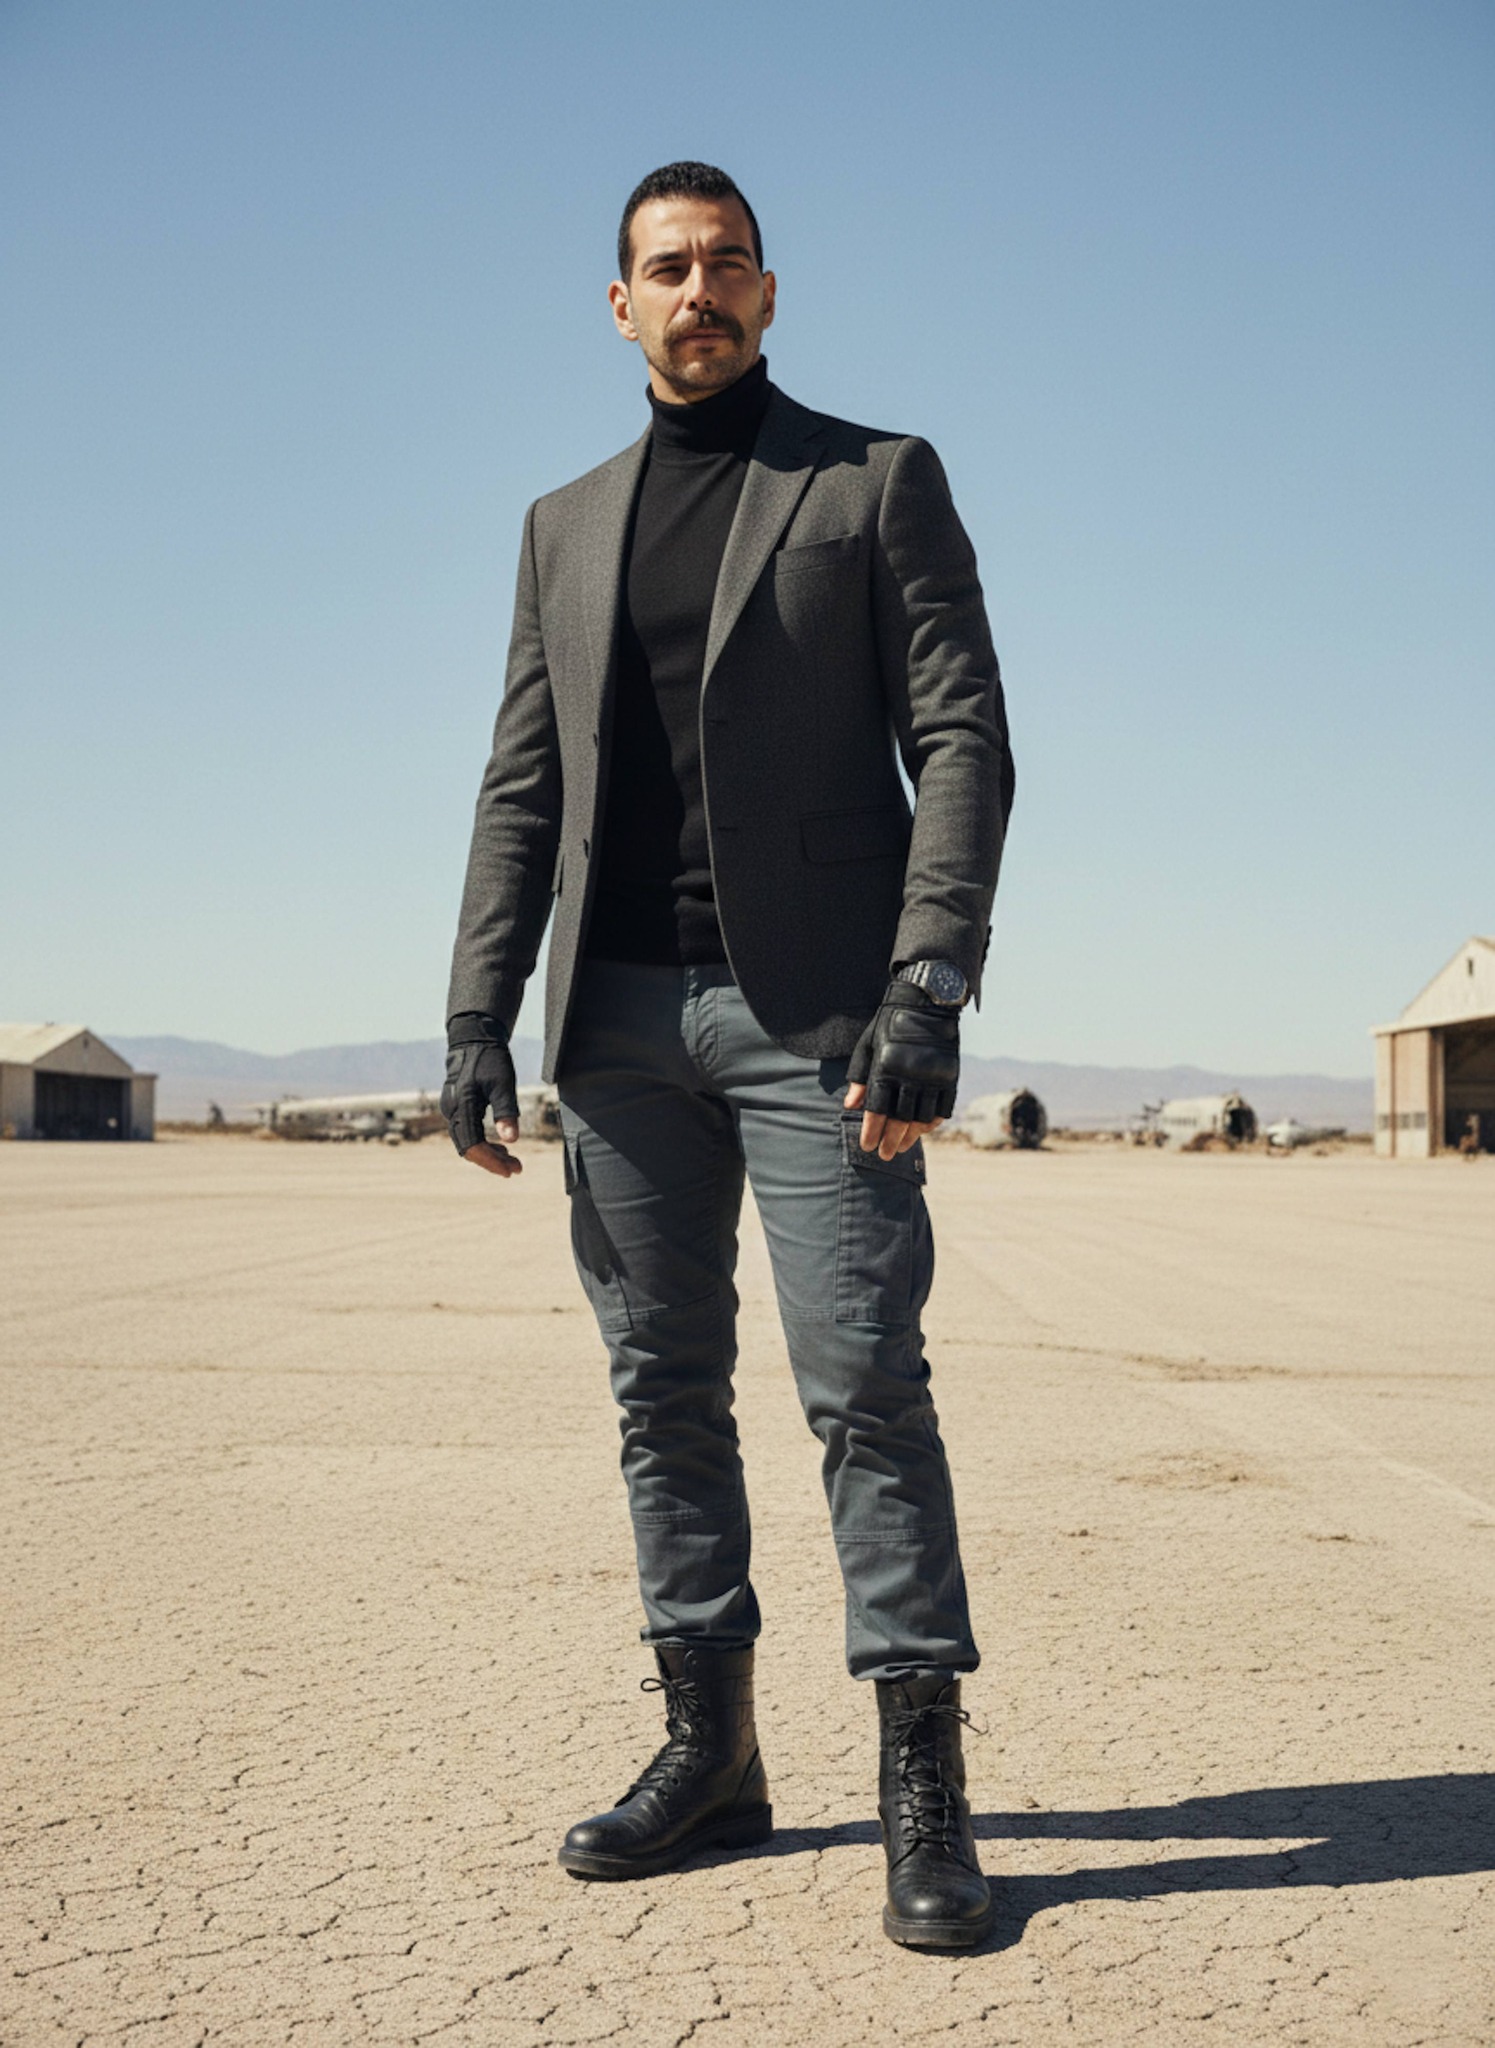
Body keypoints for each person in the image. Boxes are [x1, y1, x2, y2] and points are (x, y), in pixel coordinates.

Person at [442, 161, 1014, 1949]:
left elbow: (964, 734)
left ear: (772, 293)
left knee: (860, 1384)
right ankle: (713, 1752)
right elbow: (523, 779)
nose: (698, 292)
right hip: (613, 1026)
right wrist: (475, 1010)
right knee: (659, 1392)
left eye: (726, 265)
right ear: (618, 306)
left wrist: (929, 985)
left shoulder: (869, 481)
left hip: (821, 1021)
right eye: (664, 269)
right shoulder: (561, 522)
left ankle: (922, 1781)